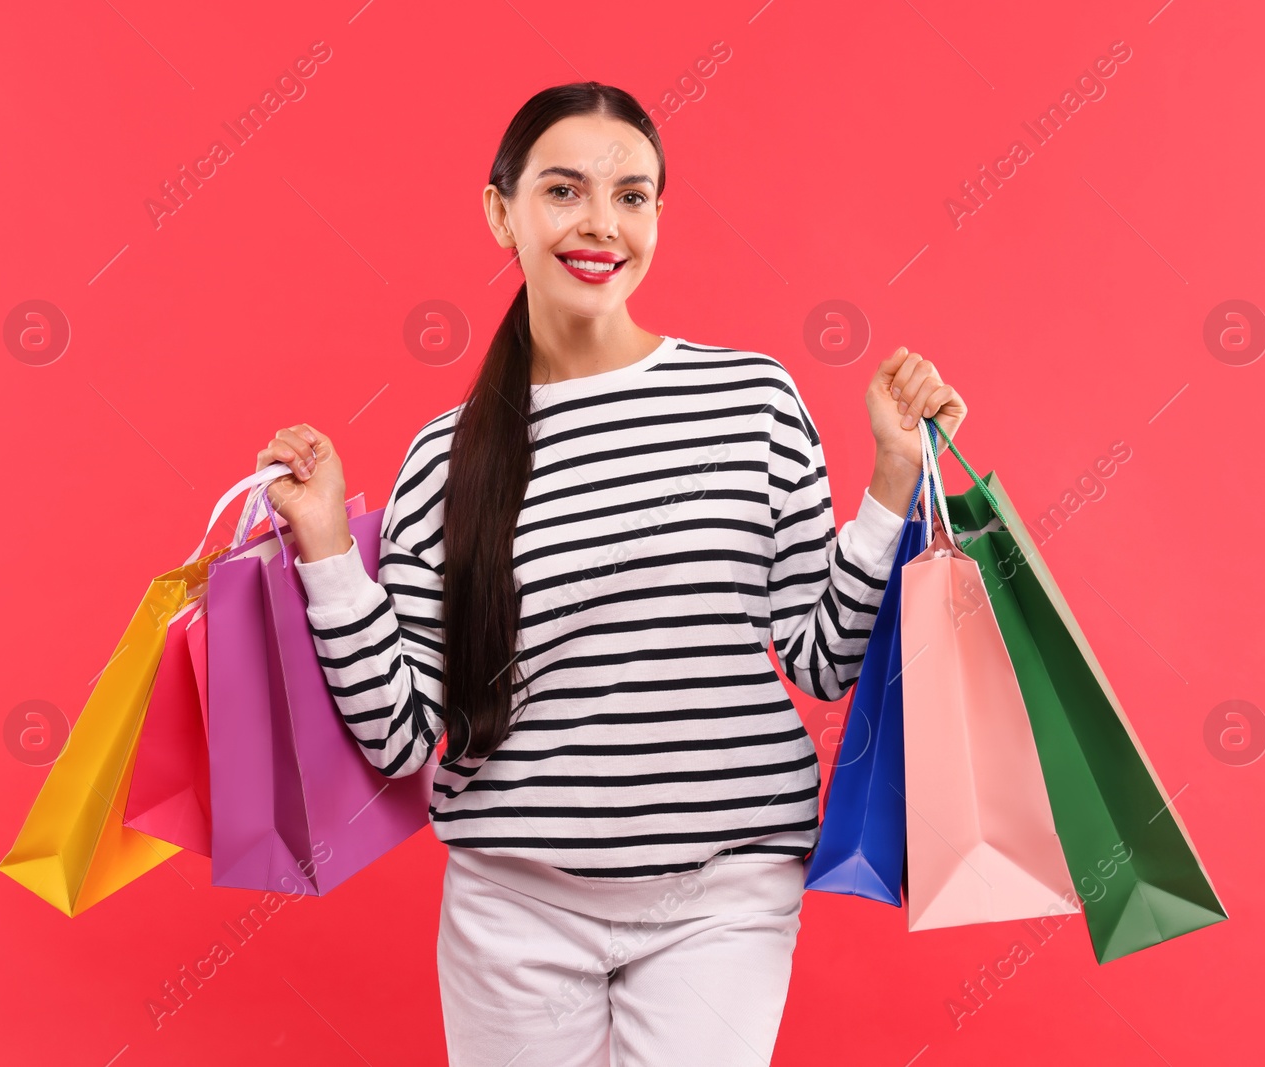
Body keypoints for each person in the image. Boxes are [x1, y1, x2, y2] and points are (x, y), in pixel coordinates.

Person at [254, 81, 966, 1067]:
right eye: (563, 191)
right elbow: (403, 731)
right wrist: (329, 551)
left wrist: (890, 475)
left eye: (632, 196)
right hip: (513, 906)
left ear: (659, 217)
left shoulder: (750, 399)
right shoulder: (445, 457)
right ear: (499, 209)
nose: (601, 223)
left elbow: (821, 657)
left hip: (721, 888)